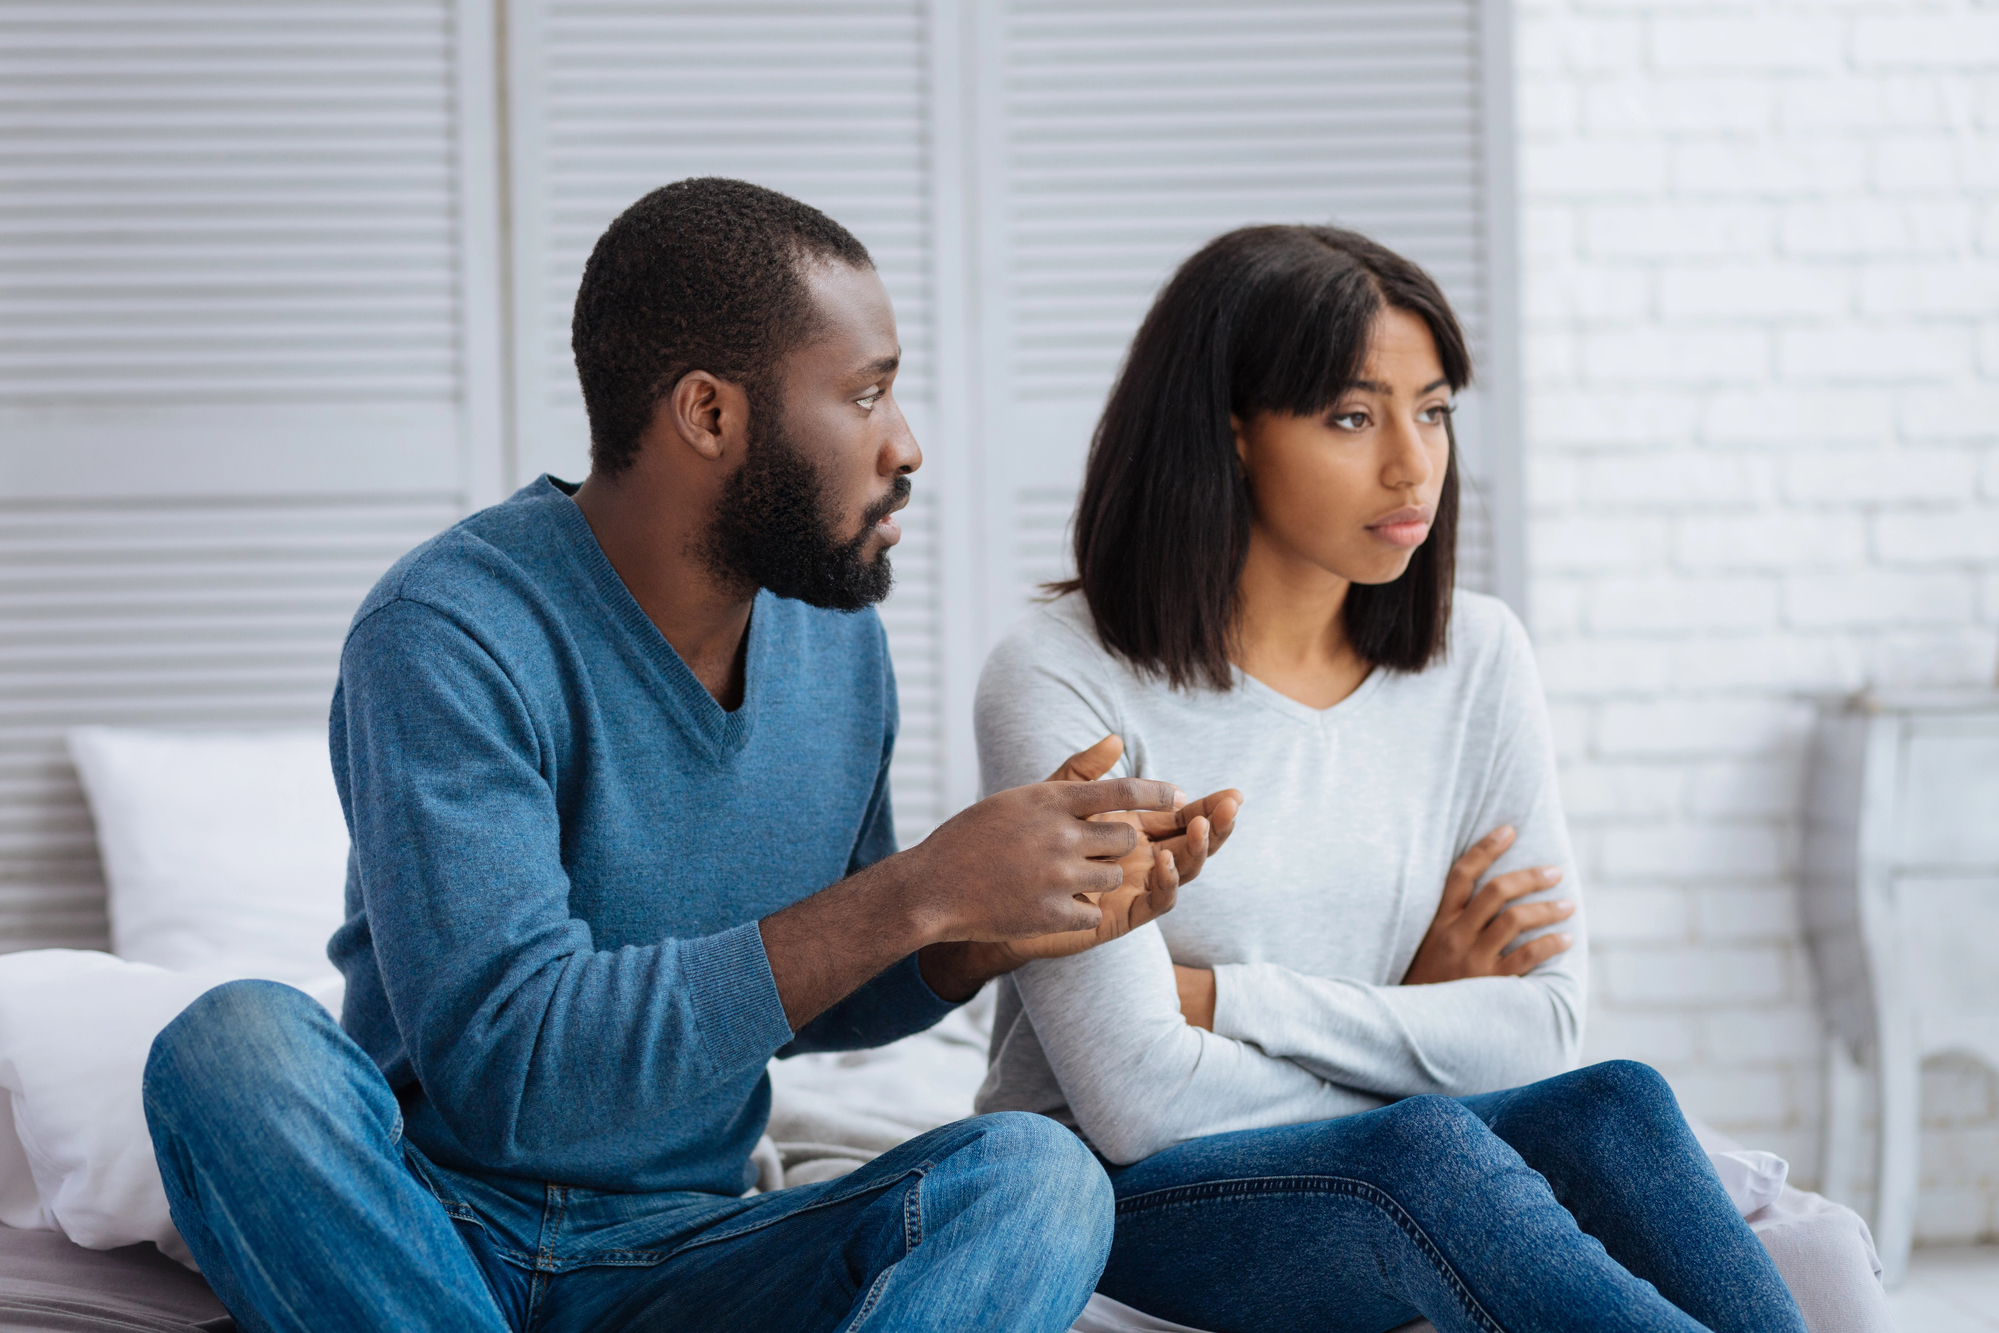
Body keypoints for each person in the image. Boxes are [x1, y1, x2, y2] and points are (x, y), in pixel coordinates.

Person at [139, 178, 1241, 1333]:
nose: (905, 446)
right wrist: (914, 889)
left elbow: (807, 992)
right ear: (709, 414)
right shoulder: (447, 632)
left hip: (694, 1250)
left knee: (1034, 1177)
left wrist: (968, 933)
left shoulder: (839, 643)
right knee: (233, 1049)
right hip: (437, 1225)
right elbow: (514, 1073)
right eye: (865, 396)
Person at [974, 224, 1813, 1333]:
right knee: (1428, 1147)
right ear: (1229, 434)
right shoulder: (1061, 673)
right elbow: (1138, 1097)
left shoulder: (1480, 658)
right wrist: (1421, 1033)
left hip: (1363, 1155)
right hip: (1125, 1199)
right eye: (1352, 417)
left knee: (1616, 1101)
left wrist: (1226, 999)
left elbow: (1544, 1026)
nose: (1412, 463)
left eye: (1434, 410)